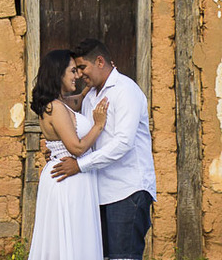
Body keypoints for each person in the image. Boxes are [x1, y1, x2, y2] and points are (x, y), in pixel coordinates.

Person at [52, 38, 157, 260]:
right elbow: (77, 127)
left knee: (123, 257)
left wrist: (80, 166)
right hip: (99, 191)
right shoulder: (91, 95)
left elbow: (123, 143)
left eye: (83, 67)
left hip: (127, 190)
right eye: (76, 69)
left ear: (100, 61)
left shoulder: (125, 90)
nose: (80, 74)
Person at [27, 48, 109, 260]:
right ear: (58, 73)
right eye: (72, 71)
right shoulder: (54, 107)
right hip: (66, 178)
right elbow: (77, 148)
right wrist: (98, 126)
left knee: (76, 238)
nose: (78, 75)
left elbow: (78, 100)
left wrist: (95, 82)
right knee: (67, 240)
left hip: (73, 177)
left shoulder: (62, 103)